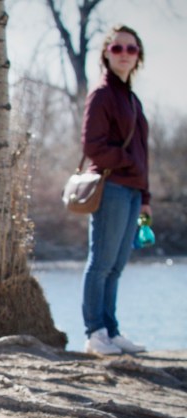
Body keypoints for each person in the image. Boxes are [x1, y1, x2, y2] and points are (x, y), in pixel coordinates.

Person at [81, 25, 150, 355]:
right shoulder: (102, 95)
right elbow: (92, 146)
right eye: (118, 48)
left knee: (117, 265)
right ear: (106, 54)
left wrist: (146, 197)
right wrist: (127, 163)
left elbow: (143, 153)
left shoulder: (132, 99)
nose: (124, 54)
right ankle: (95, 333)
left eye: (131, 49)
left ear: (138, 58)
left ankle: (112, 330)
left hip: (133, 192)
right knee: (101, 263)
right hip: (111, 188)